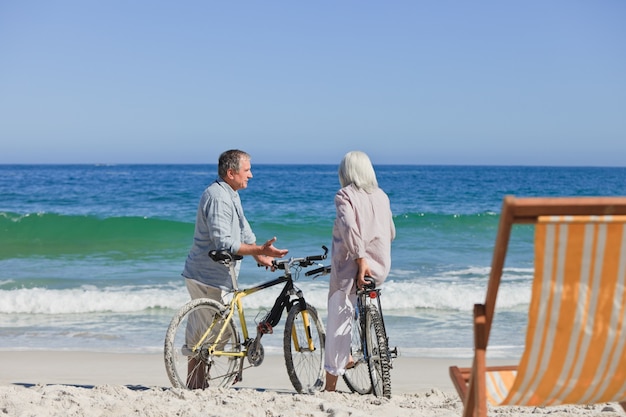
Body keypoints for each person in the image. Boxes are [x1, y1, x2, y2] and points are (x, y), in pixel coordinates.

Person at [182, 149, 289, 389]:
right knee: (213, 335)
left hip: (213, 274)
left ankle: (196, 386)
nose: (251, 175)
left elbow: (243, 229)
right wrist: (258, 250)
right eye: (247, 170)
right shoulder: (218, 197)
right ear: (231, 173)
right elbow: (223, 243)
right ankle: (197, 386)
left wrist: (261, 254)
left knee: (202, 333)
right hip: (207, 276)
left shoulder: (231, 194)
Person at [324, 151, 396, 392]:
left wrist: (360, 257)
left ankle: (330, 387)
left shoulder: (345, 195)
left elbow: (348, 227)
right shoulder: (382, 196)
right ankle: (376, 348)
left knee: (339, 318)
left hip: (351, 266)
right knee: (368, 304)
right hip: (379, 266)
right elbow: (391, 232)